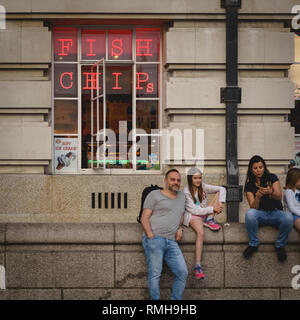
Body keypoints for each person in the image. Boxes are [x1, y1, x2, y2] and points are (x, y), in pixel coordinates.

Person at [140, 169, 188, 300]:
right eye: (172, 179)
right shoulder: (154, 195)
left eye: (178, 180)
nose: (176, 182)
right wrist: (150, 236)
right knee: (155, 273)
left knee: (182, 272)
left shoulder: (182, 197)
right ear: (166, 180)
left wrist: (179, 228)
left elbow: (180, 215)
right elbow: (144, 217)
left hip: (172, 242)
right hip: (155, 239)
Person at [243, 155, 294, 262]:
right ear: (251, 170)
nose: (258, 170)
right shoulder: (249, 185)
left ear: (264, 167)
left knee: (289, 218)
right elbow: (253, 207)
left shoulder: (272, 177)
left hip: (275, 212)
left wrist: (270, 191)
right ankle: (253, 244)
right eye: (255, 168)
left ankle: (280, 245)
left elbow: (279, 196)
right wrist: (258, 196)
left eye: (261, 167)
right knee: (249, 214)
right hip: (260, 213)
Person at [183, 167, 226, 279]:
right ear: (190, 179)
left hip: (206, 213)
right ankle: (197, 265)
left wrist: (220, 204)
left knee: (217, 192)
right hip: (194, 216)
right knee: (201, 233)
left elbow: (222, 189)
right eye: (195, 178)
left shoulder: (203, 186)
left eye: (200, 178)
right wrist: (213, 209)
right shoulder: (186, 191)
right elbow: (195, 210)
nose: (198, 180)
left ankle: (209, 219)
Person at [284, 167, 300, 234]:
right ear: (294, 180)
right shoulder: (289, 191)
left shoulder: (298, 190)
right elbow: (292, 208)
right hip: (293, 215)